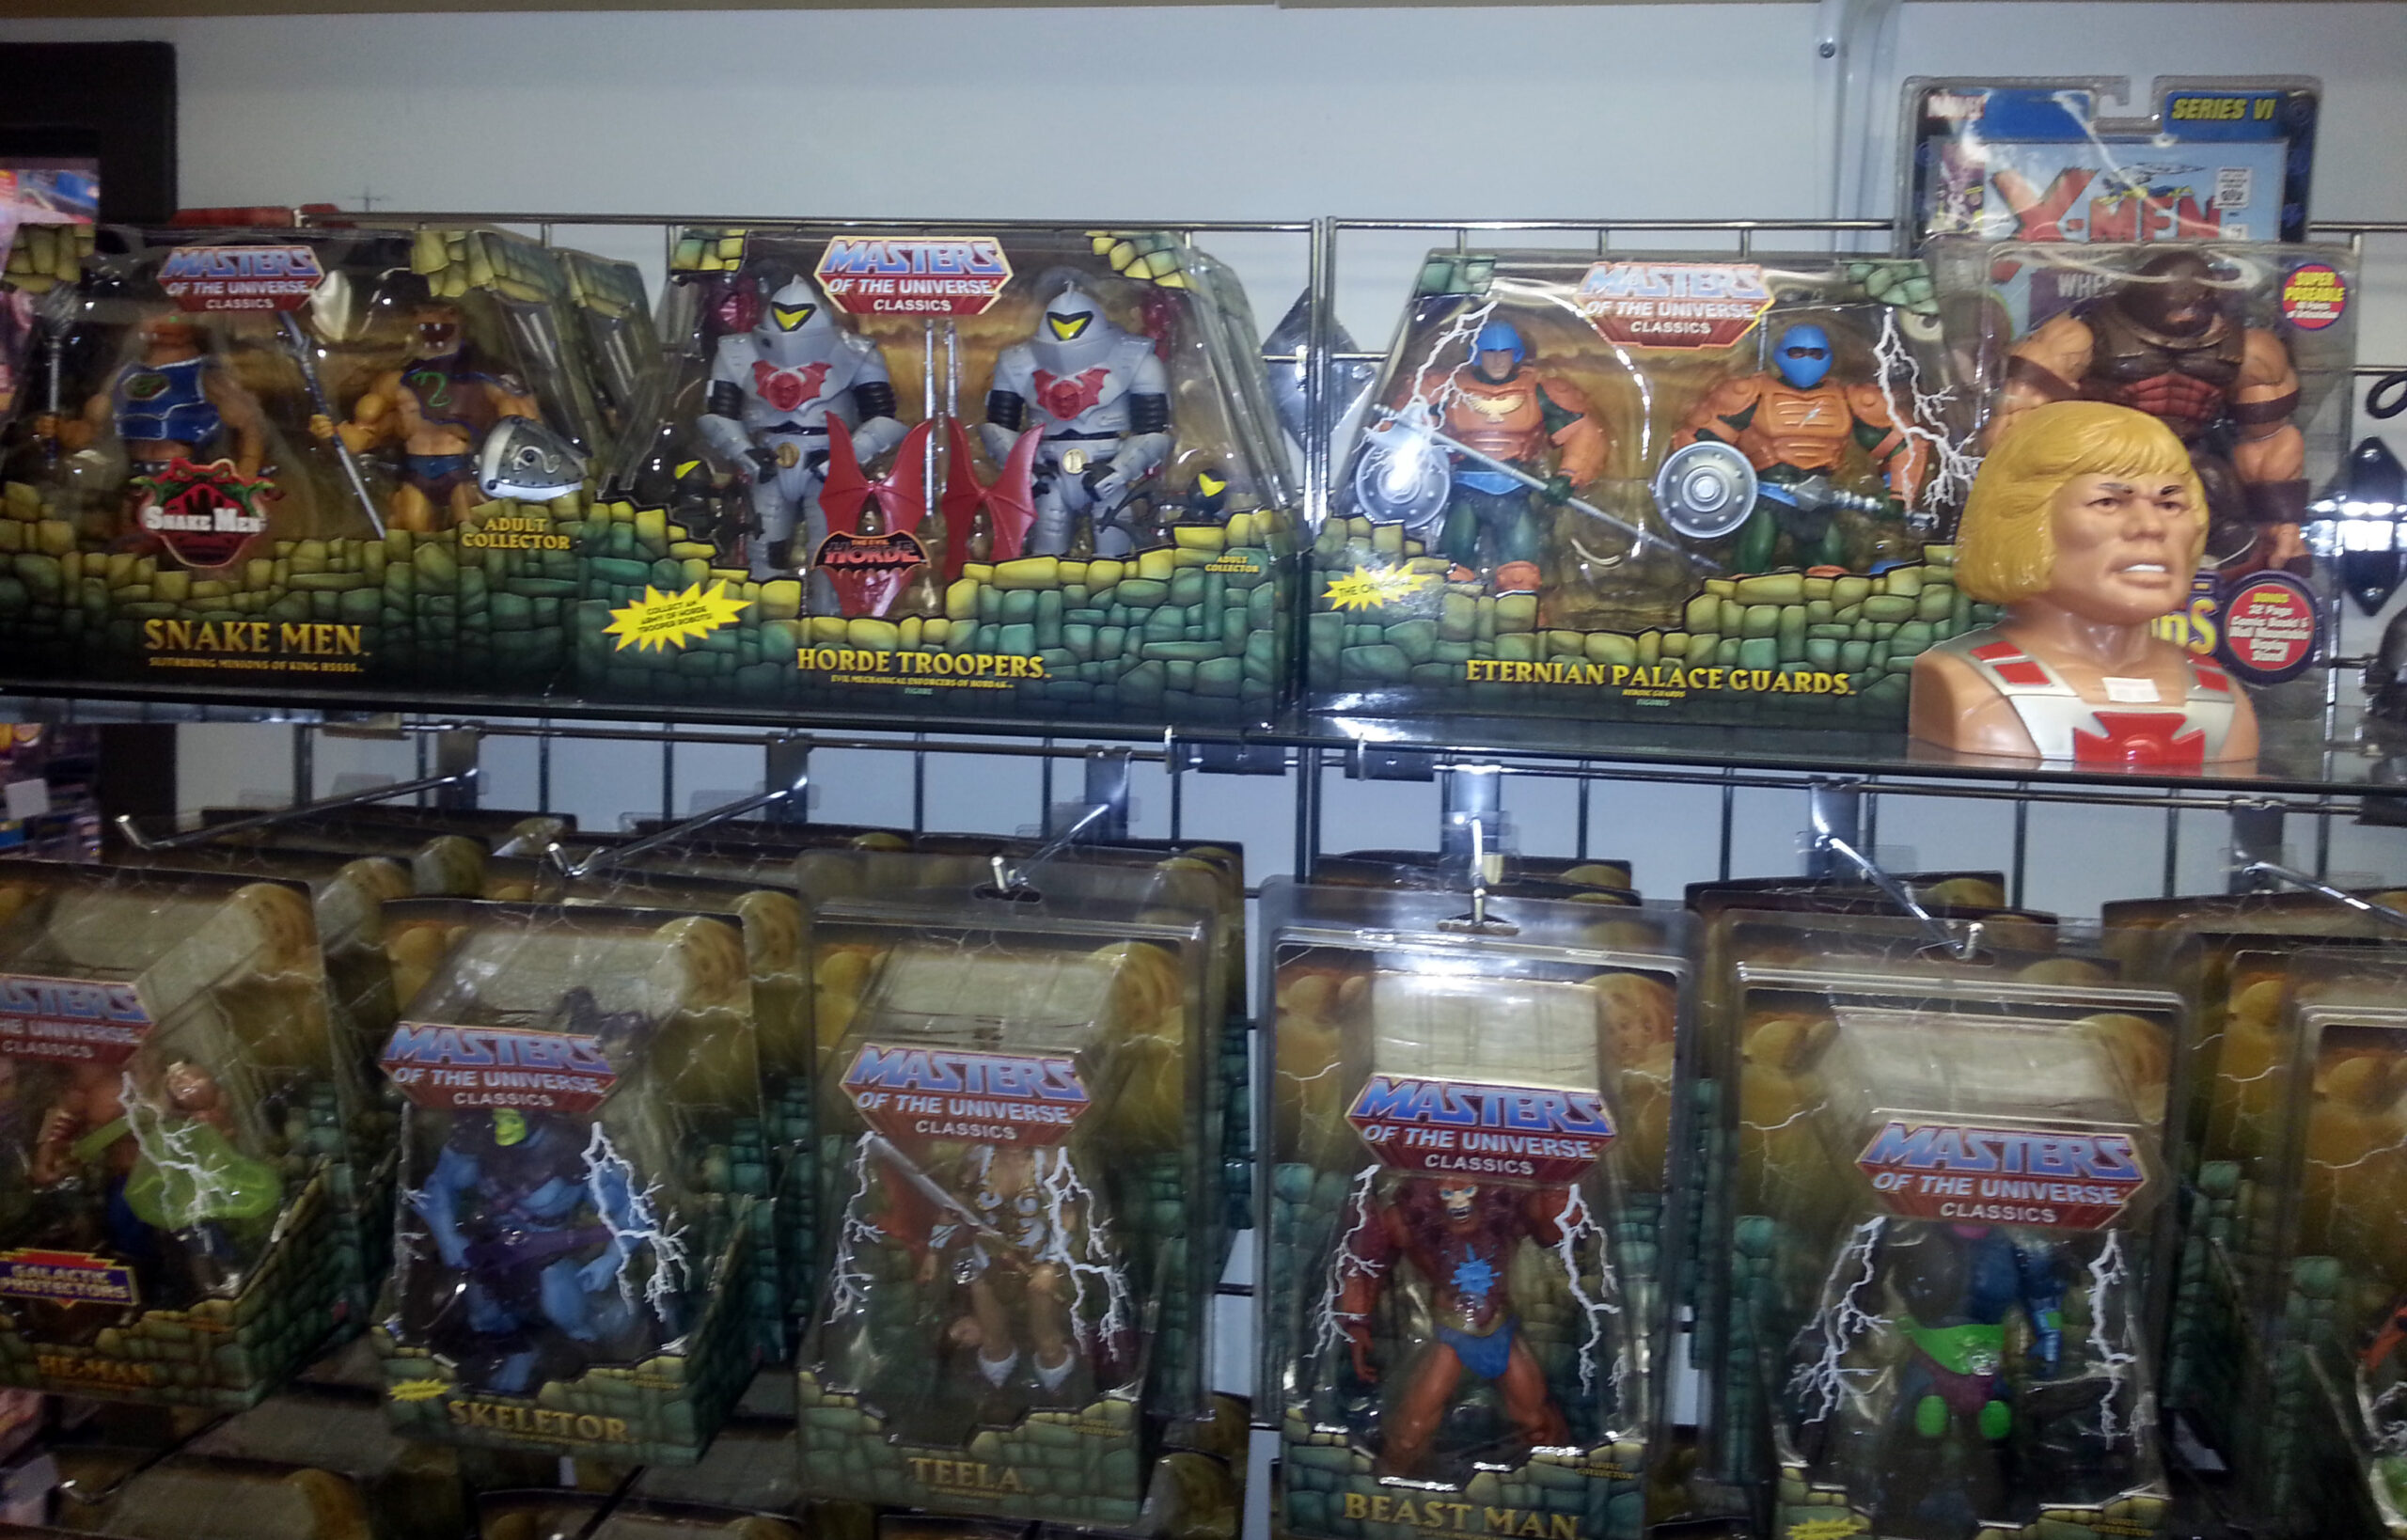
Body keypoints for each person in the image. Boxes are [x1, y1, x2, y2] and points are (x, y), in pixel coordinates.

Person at [1910, 400, 2258, 767]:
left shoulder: (2222, 697)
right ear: (2025, 519)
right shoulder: (1962, 683)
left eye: (2170, 505)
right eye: (2108, 502)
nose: (2151, 526)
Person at [1992, 249, 2307, 574]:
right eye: (2179, 302)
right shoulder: (2078, 338)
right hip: (2104, 463)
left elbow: (2270, 439)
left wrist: (2282, 521)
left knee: (2219, 498)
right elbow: (2018, 425)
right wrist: (2018, 520)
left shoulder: (2251, 350)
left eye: (2196, 302)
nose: (2186, 314)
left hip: (2189, 465)